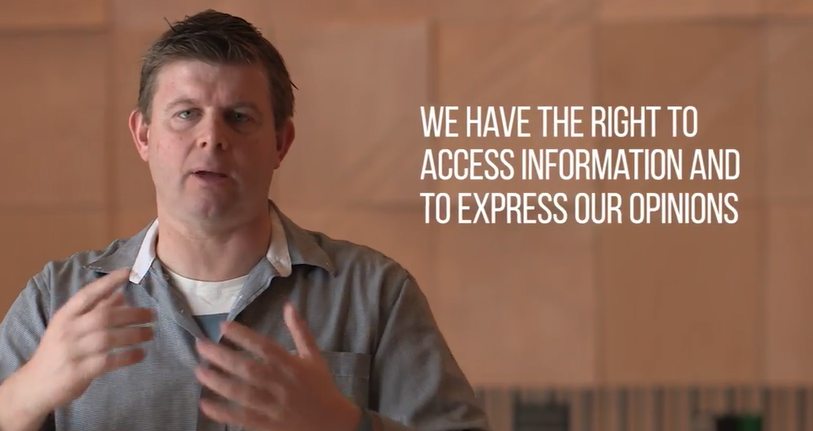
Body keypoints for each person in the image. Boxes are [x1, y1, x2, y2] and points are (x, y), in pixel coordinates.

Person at [0, 9, 491, 431]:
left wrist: (348, 425)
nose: (212, 137)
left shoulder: (376, 294)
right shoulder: (54, 301)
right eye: (186, 113)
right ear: (143, 135)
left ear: (281, 143)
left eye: (238, 116)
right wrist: (25, 393)